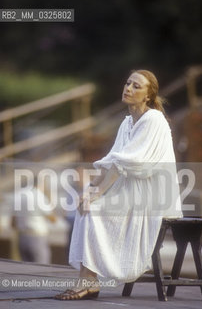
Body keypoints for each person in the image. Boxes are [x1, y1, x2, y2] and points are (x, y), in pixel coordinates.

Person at [55, 69, 183, 300]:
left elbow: (125, 163)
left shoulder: (154, 120)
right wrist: (90, 190)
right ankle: (88, 281)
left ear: (148, 95)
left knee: (95, 208)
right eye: (128, 83)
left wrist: (97, 194)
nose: (128, 88)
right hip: (131, 188)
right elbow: (112, 161)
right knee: (86, 205)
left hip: (152, 194)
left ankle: (89, 281)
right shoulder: (127, 122)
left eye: (136, 86)